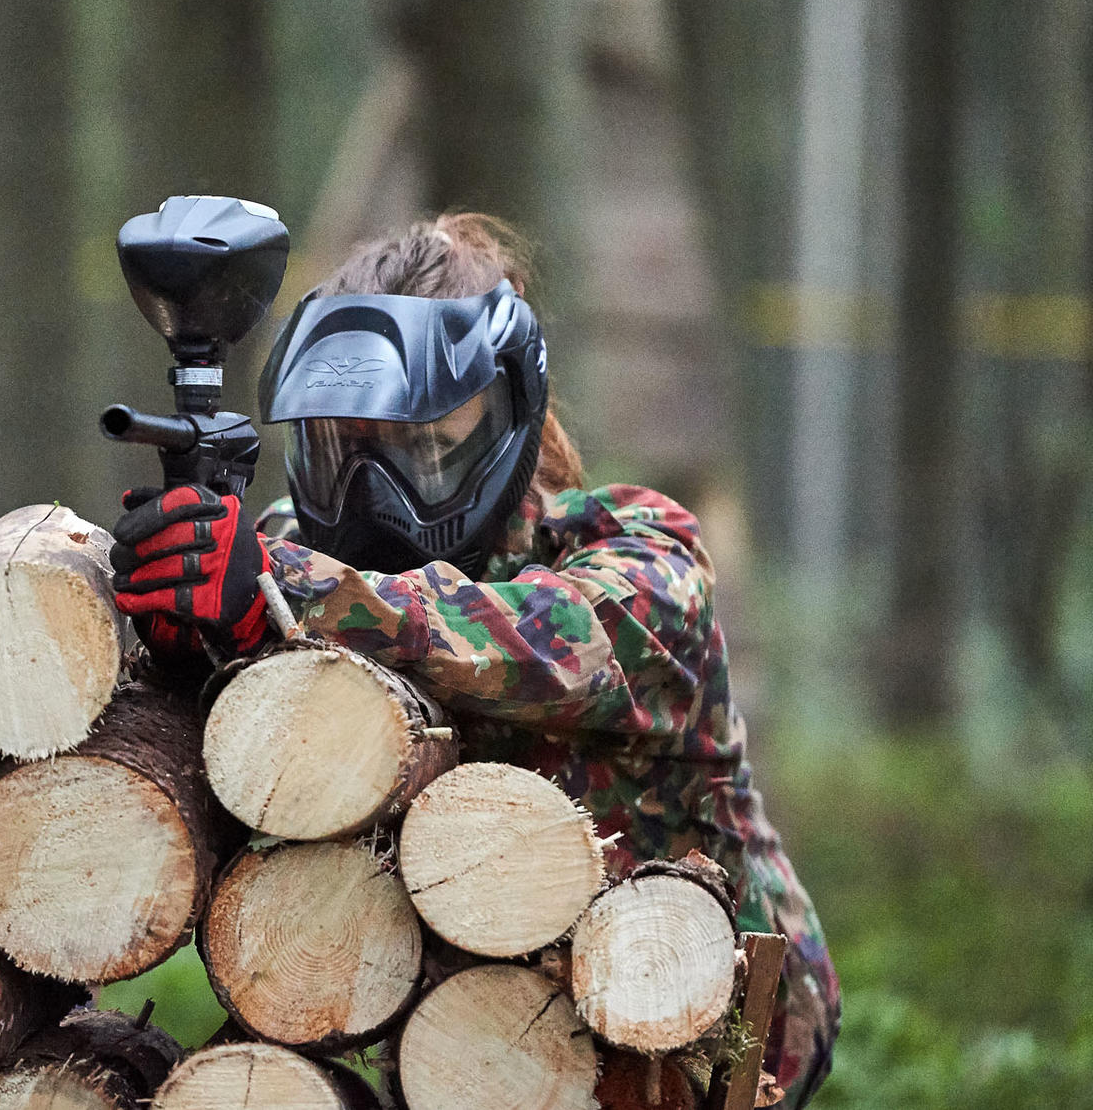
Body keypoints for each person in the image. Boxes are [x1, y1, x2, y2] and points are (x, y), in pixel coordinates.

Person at [110, 214, 838, 1103]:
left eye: (424, 447)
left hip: (706, 1018)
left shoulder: (640, 550)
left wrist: (284, 590)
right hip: (468, 1022)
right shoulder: (293, 558)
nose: (372, 498)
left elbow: (547, 644)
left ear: (508, 418)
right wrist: (192, 637)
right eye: (344, 451)